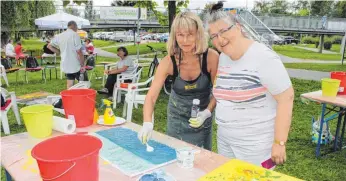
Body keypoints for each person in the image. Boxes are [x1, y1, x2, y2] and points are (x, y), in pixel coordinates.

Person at [204, 2, 294, 167]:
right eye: (214, 36)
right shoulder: (223, 57)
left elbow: (286, 98)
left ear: (238, 27)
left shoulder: (264, 57)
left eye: (224, 31)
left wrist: (279, 142)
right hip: (225, 141)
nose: (220, 39)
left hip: (256, 146)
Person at [137, 12, 219, 151]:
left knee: (201, 159)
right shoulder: (168, 62)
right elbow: (151, 96)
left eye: (190, 34)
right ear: (174, 36)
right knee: (174, 156)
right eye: (180, 35)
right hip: (177, 119)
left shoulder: (211, 57)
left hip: (202, 117)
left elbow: (219, 91)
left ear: (198, 34)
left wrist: (207, 112)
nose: (185, 40)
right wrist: (147, 122)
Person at [48, 21, 86, 89]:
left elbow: (49, 46)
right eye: (77, 27)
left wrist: (59, 52)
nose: (77, 29)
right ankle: (81, 98)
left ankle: (70, 98)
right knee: (83, 84)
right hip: (75, 64)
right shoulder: (75, 35)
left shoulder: (59, 36)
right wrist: (83, 65)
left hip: (66, 64)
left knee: (70, 85)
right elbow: (79, 52)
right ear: (74, 26)